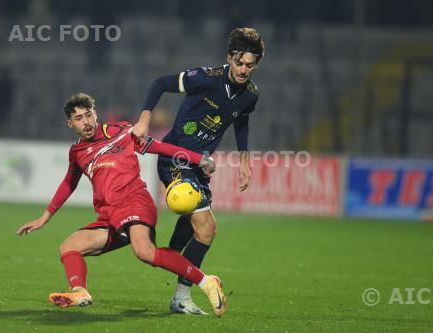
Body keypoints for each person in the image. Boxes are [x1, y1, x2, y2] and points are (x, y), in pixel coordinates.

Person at [16, 93, 227, 317]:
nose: (86, 122)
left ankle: (206, 281)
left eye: (88, 115)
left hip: (134, 201)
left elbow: (160, 148)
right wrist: (44, 218)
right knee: (68, 247)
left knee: (144, 251)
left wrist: (198, 159)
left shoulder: (122, 132)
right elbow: (69, 183)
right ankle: (79, 291)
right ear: (70, 123)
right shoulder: (76, 152)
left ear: (96, 113)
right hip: (109, 214)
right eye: (79, 118)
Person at [133, 27, 265, 314]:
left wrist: (244, 161)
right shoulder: (206, 78)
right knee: (207, 229)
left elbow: (241, 121)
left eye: (250, 65)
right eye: (239, 62)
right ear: (229, 58)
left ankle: (166, 256)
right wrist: (144, 121)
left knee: (187, 238)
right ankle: (181, 294)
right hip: (176, 158)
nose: (243, 69)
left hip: (199, 165)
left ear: (257, 64)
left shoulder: (250, 96)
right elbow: (159, 83)